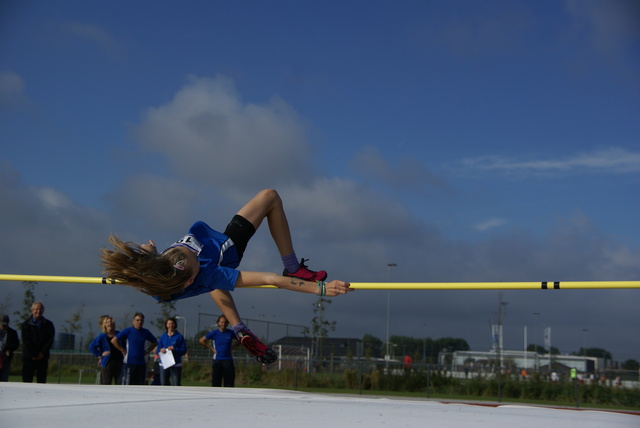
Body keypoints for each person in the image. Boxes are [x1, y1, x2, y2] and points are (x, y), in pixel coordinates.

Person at [101, 188, 353, 364]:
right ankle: (293, 265)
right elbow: (270, 279)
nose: (189, 252)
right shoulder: (209, 271)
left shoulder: (165, 271)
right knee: (270, 196)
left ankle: (239, 327)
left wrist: (150, 253)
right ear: (189, 276)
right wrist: (321, 289)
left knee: (207, 282)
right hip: (228, 249)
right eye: (193, 258)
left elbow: (153, 268)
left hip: (183, 282)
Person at [111, 312, 157, 385]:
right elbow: (114, 340)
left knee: (140, 384)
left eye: (141, 320)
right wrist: (122, 349)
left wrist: (148, 350)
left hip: (141, 363)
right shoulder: (128, 331)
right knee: (127, 384)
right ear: (133, 321)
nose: (139, 322)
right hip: (129, 362)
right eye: (137, 320)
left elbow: (154, 342)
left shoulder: (145, 332)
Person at [21, 301, 55, 383]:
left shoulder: (48, 325)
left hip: (43, 358)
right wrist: (34, 354)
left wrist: (42, 353)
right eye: (36, 309)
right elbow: (26, 341)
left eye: (40, 309)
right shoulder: (26, 325)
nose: (38, 311)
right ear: (32, 310)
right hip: (29, 358)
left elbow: (50, 340)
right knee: (27, 381)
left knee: (41, 381)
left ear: (43, 311)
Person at [199, 315, 237, 387]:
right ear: (218, 323)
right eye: (222, 322)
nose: (223, 324)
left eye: (225, 322)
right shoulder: (214, 333)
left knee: (229, 383)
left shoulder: (231, 333)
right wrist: (211, 348)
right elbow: (201, 340)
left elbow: (241, 339)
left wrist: (233, 347)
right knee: (216, 382)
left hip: (228, 359)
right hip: (217, 359)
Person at [88, 315, 123, 385]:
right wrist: (100, 355)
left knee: (119, 383)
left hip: (119, 361)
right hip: (108, 362)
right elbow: (91, 346)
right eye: (108, 322)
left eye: (112, 322)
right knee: (106, 383)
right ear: (105, 324)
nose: (110, 323)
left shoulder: (119, 334)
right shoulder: (102, 336)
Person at [156, 317, 187, 386]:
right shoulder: (163, 337)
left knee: (176, 384)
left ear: (175, 325)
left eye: (172, 324)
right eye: (169, 324)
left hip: (175, 364)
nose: (171, 325)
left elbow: (184, 350)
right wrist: (161, 350)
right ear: (166, 325)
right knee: (163, 383)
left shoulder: (179, 337)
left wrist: (175, 349)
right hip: (164, 363)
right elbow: (158, 349)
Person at [0, 314, 20, 381]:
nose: (4, 326)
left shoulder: (12, 333)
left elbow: (16, 344)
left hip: (6, 358)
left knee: (4, 378)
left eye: (5, 324)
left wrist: (8, 348)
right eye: (2, 324)